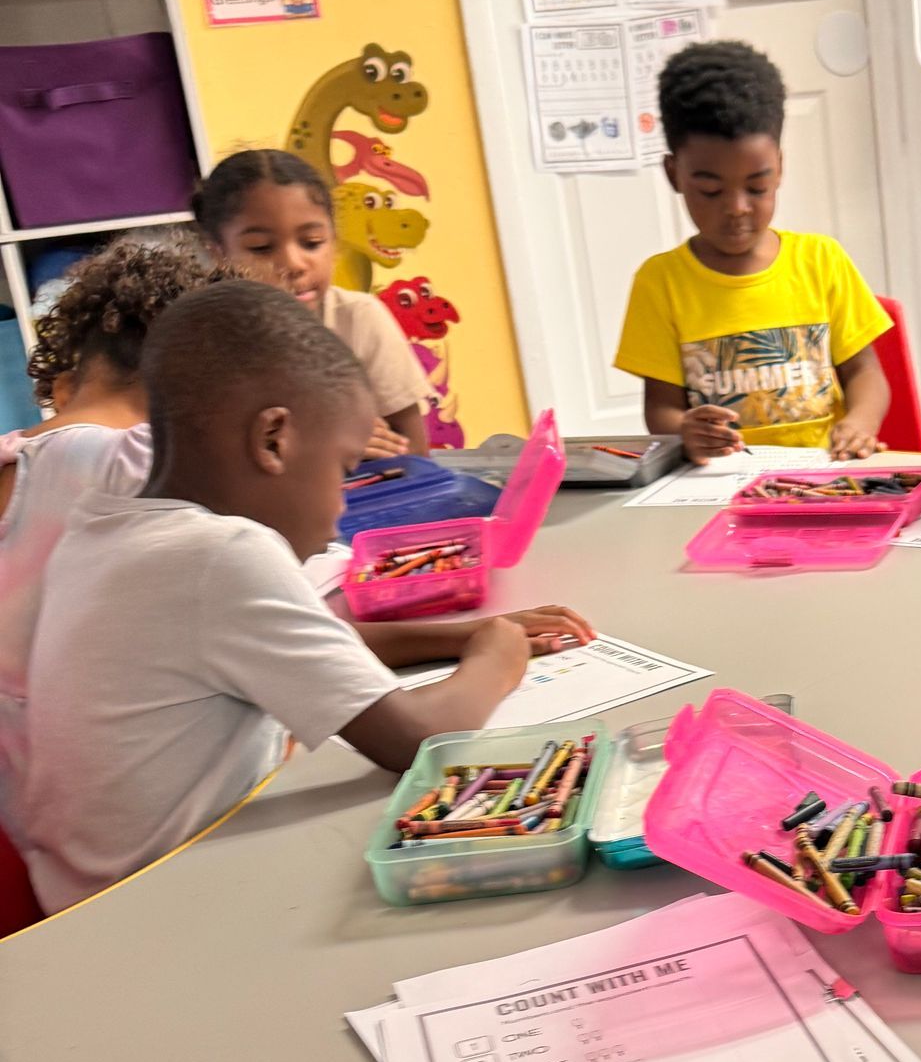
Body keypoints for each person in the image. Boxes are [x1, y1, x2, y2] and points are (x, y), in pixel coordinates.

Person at [20, 282, 556, 914]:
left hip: (85, 897)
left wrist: (457, 633)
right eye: (341, 471)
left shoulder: (106, 522)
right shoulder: (220, 555)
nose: (338, 517)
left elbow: (297, 644)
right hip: (161, 910)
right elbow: (415, 739)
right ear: (273, 440)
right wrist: (498, 653)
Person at [0, 240, 217, 840]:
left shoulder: (20, 453)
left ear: (66, 380)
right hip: (135, 830)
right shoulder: (137, 459)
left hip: (31, 835)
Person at [613, 40, 890, 464]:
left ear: (778, 167)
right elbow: (661, 408)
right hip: (722, 484)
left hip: (824, 477)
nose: (737, 208)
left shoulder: (821, 260)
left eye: (757, 187)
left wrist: (860, 423)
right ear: (674, 174)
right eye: (710, 190)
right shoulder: (661, 282)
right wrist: (684, 430)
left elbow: (866, 374)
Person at [193, 150, 430, 454]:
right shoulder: (201, 343)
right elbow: (208, 467)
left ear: (333, 239)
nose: (294, 263)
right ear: (217, 254)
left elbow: (417, 458)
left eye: (312, 243)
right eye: (262, 248)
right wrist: (316, 445)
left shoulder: (358, 319)